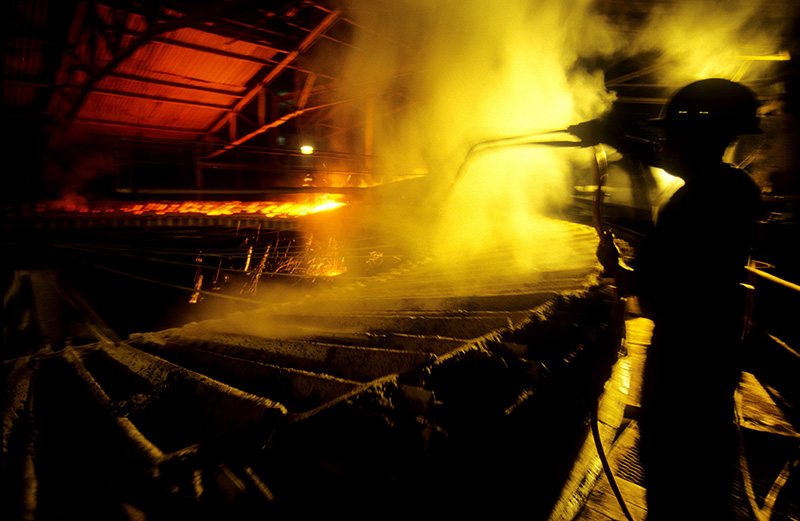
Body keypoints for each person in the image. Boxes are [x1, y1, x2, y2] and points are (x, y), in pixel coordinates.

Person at [597, 79, 766, 520]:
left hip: (683, 368)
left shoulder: (695, 202)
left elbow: (662, 295)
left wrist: (619, 271)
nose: (665, 143)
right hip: (711, 361)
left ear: (699, 138)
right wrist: (612, 135)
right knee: (703, 481)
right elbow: (670, 159)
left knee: (675, 482)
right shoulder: (734, 188)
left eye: (673, 135)